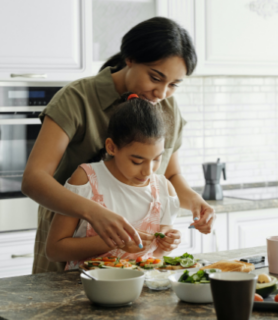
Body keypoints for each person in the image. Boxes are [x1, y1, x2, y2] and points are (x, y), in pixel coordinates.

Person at [22, 17, 215, 274]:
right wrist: (94, 212)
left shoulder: (167, 107)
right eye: (155, 78)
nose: (162, 93)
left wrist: (194, 202)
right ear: (130, 59)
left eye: (173, 85)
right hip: (70, 243)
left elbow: (169, 175)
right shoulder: (77, 98)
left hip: (133, 262)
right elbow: (33, 179)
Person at [46, 94, 181, 269]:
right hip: (85, 288)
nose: (148, 171)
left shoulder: (164, 190)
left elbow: (157, 255)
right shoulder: (86, 180)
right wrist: (114, 241)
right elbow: (54, 250)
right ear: (111, 147)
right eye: (137, 161)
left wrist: (167, 244)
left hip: (141, 288)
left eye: (157, 159)